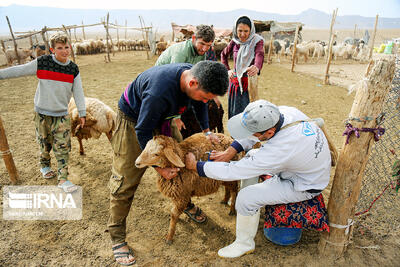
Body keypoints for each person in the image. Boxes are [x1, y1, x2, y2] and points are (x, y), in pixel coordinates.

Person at [108, 60, 228, 266]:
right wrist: (158, 167)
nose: (205, 100)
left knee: (179, 163)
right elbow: (143, 130)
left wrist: (207, 132)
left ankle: (184, 201)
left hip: (164, 117)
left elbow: (199, 103)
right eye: (205, 96)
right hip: (135, 121)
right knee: (126, 180)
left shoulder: (194, 77)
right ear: (193, 84)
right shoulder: (159, 92)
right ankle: (117, 236)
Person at [185, 99, 332, 258]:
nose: (250, 135)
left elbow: (235, 170)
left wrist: (197, 166)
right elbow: (253, 134)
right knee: (252, 155)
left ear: (269, 132)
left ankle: (244, 243)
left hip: (303, 184)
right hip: (305, 168)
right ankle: (250, 208)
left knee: (246, 198)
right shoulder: (283, 112)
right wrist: (231, 151)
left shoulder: (281, 148)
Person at [0, 32, 86, 193]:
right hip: (42, 113)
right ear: (52, 50)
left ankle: (63, 179)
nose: (64, 51)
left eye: (66, 47)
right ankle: (45, 165)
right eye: (60, 48)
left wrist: (82, 112)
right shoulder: (43, 62)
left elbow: (79, 92)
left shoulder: (73, 69)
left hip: (61, 115)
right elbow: (20, 70)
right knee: (44, 143)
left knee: (63, 146)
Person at [155, 24, 220, 142]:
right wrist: (176, 117)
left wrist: (211, 95)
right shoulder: (181, 52)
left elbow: (199, 79)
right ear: (194, 38)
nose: (204, 49)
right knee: (170, 134)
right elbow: (173, 84)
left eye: (208, 45)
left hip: (184, 86)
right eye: (202, 44)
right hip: (162, 89)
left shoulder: (202, 54)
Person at [221, 15, 264, 119]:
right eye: (240, 31)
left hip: (248, 84)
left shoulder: (257, 41)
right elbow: (223, 55)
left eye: (246, 31)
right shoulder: (234, 41)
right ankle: (234, 135)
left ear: (251, 30)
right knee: (234, 113)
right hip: (234, 84)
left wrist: (256, 67)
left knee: (249, 114)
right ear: (235, 30)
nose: (242, 34)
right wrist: (227, 70)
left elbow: (259, 54)